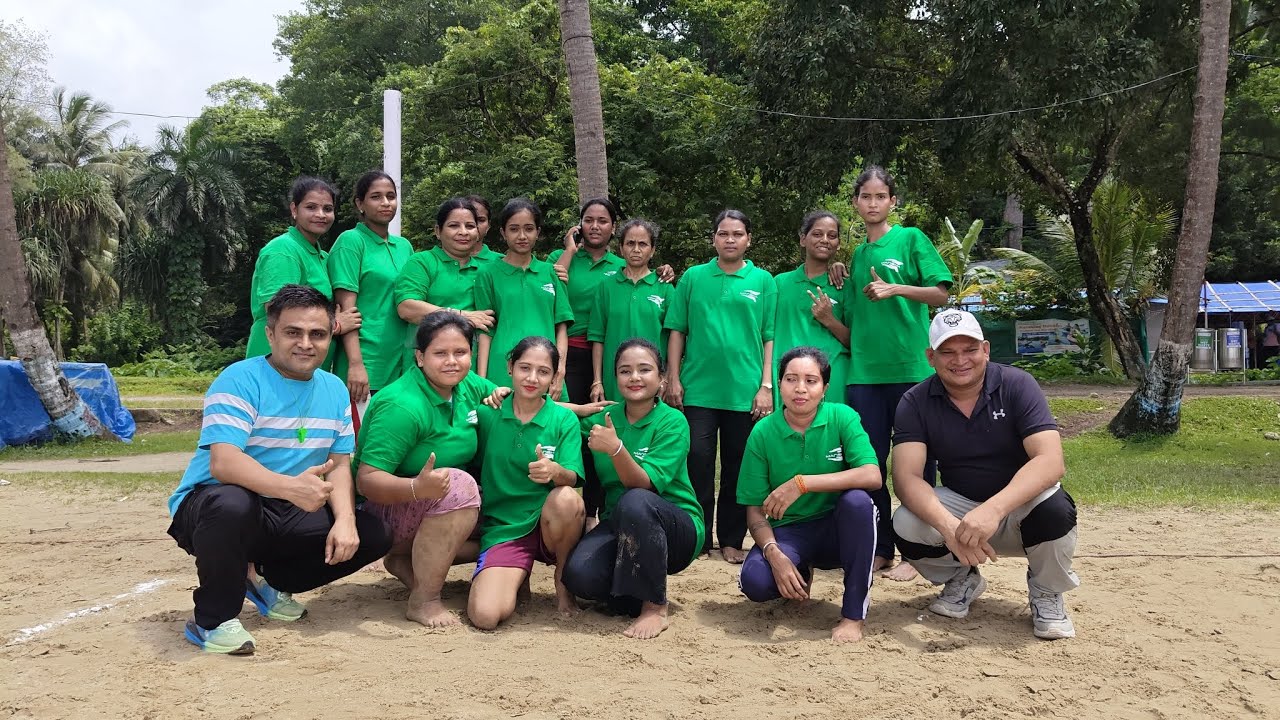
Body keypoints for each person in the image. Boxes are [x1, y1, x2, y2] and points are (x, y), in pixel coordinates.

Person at [166, 285, 392, 655]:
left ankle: (267, 581)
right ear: (270, 334)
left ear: (331, 336)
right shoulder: (239, 379)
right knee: (232, 504)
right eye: (293, 332)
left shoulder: (334, 389)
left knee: (373, 534)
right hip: (211, 506)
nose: (305, 343)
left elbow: (339, 464)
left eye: (317, 334)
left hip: (283, 507)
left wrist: (346, 520)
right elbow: (224, 462)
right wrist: (289, 488)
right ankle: (212, 620)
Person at [891, 309, 1079, 640]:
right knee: (906, 522)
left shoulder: (1018, 384)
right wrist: (949, 527)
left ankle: (1046, 592)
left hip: (1019, 507)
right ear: (931, 357)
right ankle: (961, 578)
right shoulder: (915, 401)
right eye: (947, 352)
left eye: (970, 349)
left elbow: (1051, 461)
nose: (960, 360)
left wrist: (993, 510)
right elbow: (906, 479)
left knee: (1055, 508)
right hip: (961, 505)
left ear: (986, 350)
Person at [842, 166, 953, 582]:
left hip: (911, 371)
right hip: (864, 375)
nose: (872, 203)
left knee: (917, 465)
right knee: (870, 463)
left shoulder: (910, 239)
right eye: (865, 196)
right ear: (856, 202)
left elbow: (940, 293)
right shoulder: (857, 256)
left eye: (880, 196)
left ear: (892, 201)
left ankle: (917, 552)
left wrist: (896, 288)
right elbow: (852, 318)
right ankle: (881, 548)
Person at [354, 312, 498, 627]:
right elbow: (366, 480)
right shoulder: (402, 405)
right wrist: (417, 488)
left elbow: (516, 401)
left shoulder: (466, 385)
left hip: (435, 502)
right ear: (420, 358)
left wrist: (577, 411)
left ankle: (404, 561)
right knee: (460, 486)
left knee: (511, 515)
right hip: (383, 512)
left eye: (460, 352)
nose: (452, 361)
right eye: (440, 353)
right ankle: (424, 600)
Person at [562, 339, 703, 639]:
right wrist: (577, 407)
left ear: (662, 378)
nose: (634, 377)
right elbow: (550, 413)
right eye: (625, 371)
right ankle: (631, 593)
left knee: (636, 500)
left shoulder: (673, 421)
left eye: (644, 370)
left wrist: (616, 449)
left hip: (676, 527)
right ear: (615, 378)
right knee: (580, 576)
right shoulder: (603, 421)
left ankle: (655, 607)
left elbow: (643, 484)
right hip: (620, 524)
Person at [737, 347, 881, 643]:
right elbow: (754, 510)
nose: (800, 388)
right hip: (790, 531)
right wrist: (774, 553)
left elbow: (872, 475)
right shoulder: (762, 432)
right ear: (779, 384)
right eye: (791, 379)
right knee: (756, 582)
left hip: (838, 529)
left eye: (811, 381)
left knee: (858, 503)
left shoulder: (842, 417)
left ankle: (853, 614)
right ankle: (800, 570)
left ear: (825, 387)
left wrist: (802, 483)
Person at [664, 209, 776, 564]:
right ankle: (697, 538)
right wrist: (673, 377)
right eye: (723, 233)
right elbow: (677, 330)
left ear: (748, 240)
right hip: (698, 389)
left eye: (737, 234)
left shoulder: (763, 281)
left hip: (745, 391)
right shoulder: (693, 278)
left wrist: (766, 385)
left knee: (737, 467)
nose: (730, 239)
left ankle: (730, 539)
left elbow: (769, 336)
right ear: (713, 238)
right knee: (696, 462)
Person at [468, 337, 585, 630]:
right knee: (485, 616)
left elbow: (572, 477)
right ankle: (519, 575)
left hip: (548, 524)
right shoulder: (487, 414)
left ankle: (563, 579)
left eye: (543, 371)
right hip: (505, 527)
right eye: (525, 368)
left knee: (567, 498)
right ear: (510, 367)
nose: (532, 378)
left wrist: (555, 471)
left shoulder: (564, 419)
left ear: (554, 377)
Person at [245, 176, 361, 367]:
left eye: (328, 209)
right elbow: (278, 312)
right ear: (294, 210)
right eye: (311, 207)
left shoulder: (323, 257)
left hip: (305, 365)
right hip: (275, 365)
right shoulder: (283, 250)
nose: (321, 214)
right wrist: (336, 325)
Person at [328, 170, 414, 411]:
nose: (386, 203)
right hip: (367, 363)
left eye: (391, 196)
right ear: (360, 204)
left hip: (402, 362)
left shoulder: (404, 247)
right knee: (364, 433)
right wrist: (356, 364)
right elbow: (347, 311)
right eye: (376, 197)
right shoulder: (351, 242)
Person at [474, 198, 573, 398]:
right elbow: (485, 331)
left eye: (529, 229)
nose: (522, 236)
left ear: (538, 232)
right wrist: (482, 382)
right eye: (514, 229)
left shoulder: (551, 273)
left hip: (546, 367)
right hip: (502, 366)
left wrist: (560, 369)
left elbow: (561, 327)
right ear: (503, 233)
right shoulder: (487, 273)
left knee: (553, 416)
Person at [394, 198, 498, 366]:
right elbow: (407, 308)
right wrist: (462, 316)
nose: (463, 232)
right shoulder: (422, 262)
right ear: (438, 231)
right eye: (454, 225)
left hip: (471, 367)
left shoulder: (488, 270)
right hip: (426, 366)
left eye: (470, 226)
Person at [771, 211, 852, 406]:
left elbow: (857, 342)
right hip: (787, 378)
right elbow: (765, 334)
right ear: (803, 239)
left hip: (831, 379)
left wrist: (829, 320)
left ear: (838, 243)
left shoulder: (845, 286)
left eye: (832, 236)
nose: (824, 240)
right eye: (817, 234)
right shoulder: (779, 283)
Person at [588, 218, 672, 403]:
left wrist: (667, 377)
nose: (636, 249)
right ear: (621, 248)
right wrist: (597, 381)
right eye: (630, 243)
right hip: (614, 379)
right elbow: (598, 337)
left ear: (653, 250)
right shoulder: (606, 287)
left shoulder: (664, 287)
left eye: (643, 244)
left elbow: (674, 338)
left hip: (653, 380)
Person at [466, 195, 505, 263]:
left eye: (481, 220)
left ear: (488, 225)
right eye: (469, 219)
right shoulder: (444, 261)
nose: (475, 224)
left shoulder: (502, 262)